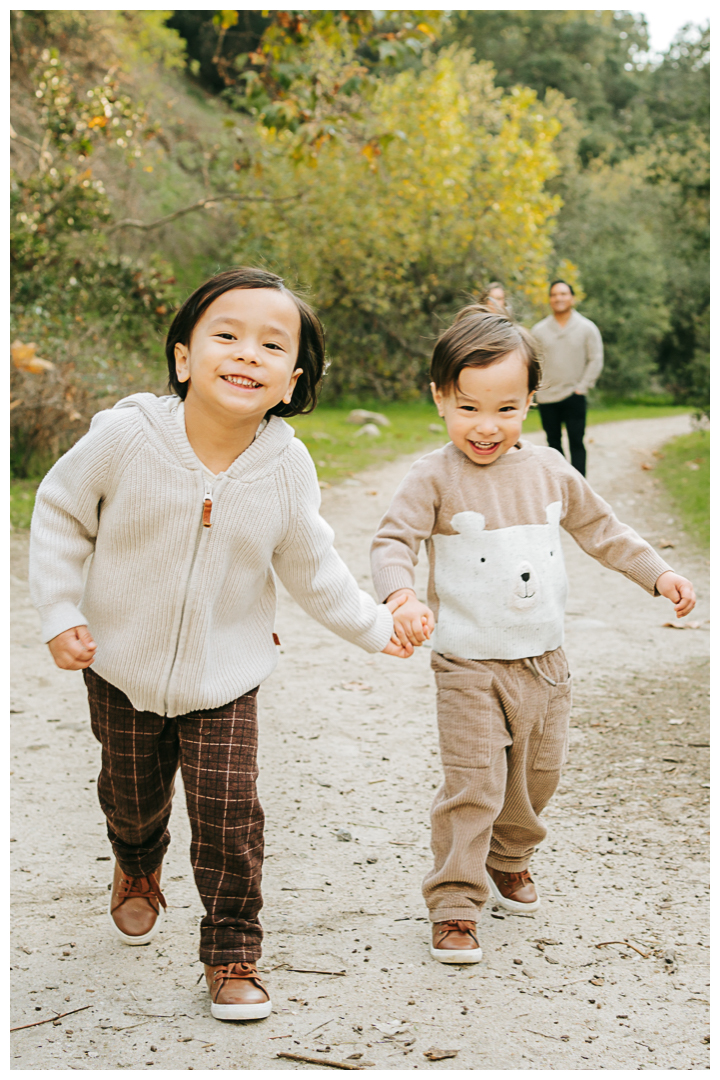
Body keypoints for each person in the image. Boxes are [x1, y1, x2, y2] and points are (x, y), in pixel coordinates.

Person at [28, 267, 412, 1021]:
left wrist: (376, 626)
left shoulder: (285, 467)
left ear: (291, 381)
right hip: (119, 664)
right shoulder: (127, 438)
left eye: (272, 345)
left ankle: (233, 948)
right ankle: (137, 863)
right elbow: (61, 513)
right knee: (131, 795)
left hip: (225, 676)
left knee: (231, 815)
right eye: (227, 335)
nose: (246, 353)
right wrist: (59, 611)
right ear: (183, 357)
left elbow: (314, 567)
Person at [370, 305, 695, 964]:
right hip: (468, 664)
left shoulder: (549, 470)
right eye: (469, 408)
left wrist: (658, 574)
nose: (487, 427)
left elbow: (604, 530)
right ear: (439, 398)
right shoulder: (432, 477)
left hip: (546, 663)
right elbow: (393, 540)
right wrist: (400, 595)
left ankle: (509, 855)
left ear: (531, 400)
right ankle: (457, 901)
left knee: (539, 776)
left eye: (507, 409)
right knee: (474, 784)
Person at [532, 279, 603, 477]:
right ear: (549, 299)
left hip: (574, 395)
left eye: (563, 294)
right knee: (553, 445)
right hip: (547, 398)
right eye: (554, 295)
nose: (558, 298)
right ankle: (560, 485)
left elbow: (596, 359)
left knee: (576, 442)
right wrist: (536, 390)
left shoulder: (586, 328)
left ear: (572, 298)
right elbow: (533, 362)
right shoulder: (539, 331)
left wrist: (582, 387)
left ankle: (580, 488)